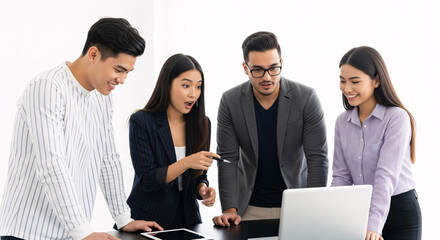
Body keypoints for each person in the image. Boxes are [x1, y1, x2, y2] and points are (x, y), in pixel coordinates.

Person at [0, 17, 162, 240]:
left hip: (72, 234)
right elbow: (52, 165)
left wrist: (124, 218)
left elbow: (108, 158)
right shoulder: (47, 88)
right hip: (28, 233)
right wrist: (83, 231)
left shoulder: (103, 99)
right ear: (93, 54)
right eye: (119, 69)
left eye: (128, 73)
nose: (123, 80)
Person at [213, 31, 328, 226]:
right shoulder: (230, 101)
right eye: (257, 70)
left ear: (281, 62)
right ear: (245, 68)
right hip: (248, 208)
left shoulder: (306, 97)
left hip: (297, 206)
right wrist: (229, 209)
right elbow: (227, 159)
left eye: (274, 68)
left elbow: (317, 157)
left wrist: (313, 207)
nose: (267, 77)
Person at [332, 46, 422, 240]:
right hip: (360, 210)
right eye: (342, 81)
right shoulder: (342, 122)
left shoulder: (396, 118)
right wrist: (333, 217)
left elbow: (385, 176)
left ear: (376, 80)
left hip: (399, 212)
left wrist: (373, 226)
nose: (347, 88)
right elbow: (341, 177)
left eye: (355, 81)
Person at [126, 54, 219, 228]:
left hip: (189, 222)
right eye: (186, 85)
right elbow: (147, 180)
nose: (193, 94)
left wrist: (203, 189)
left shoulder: (202, 124)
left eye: (198, 87)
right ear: (167, 84)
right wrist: (186, 162)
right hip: (148, 222)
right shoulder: (141, 121)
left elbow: (200, 175)